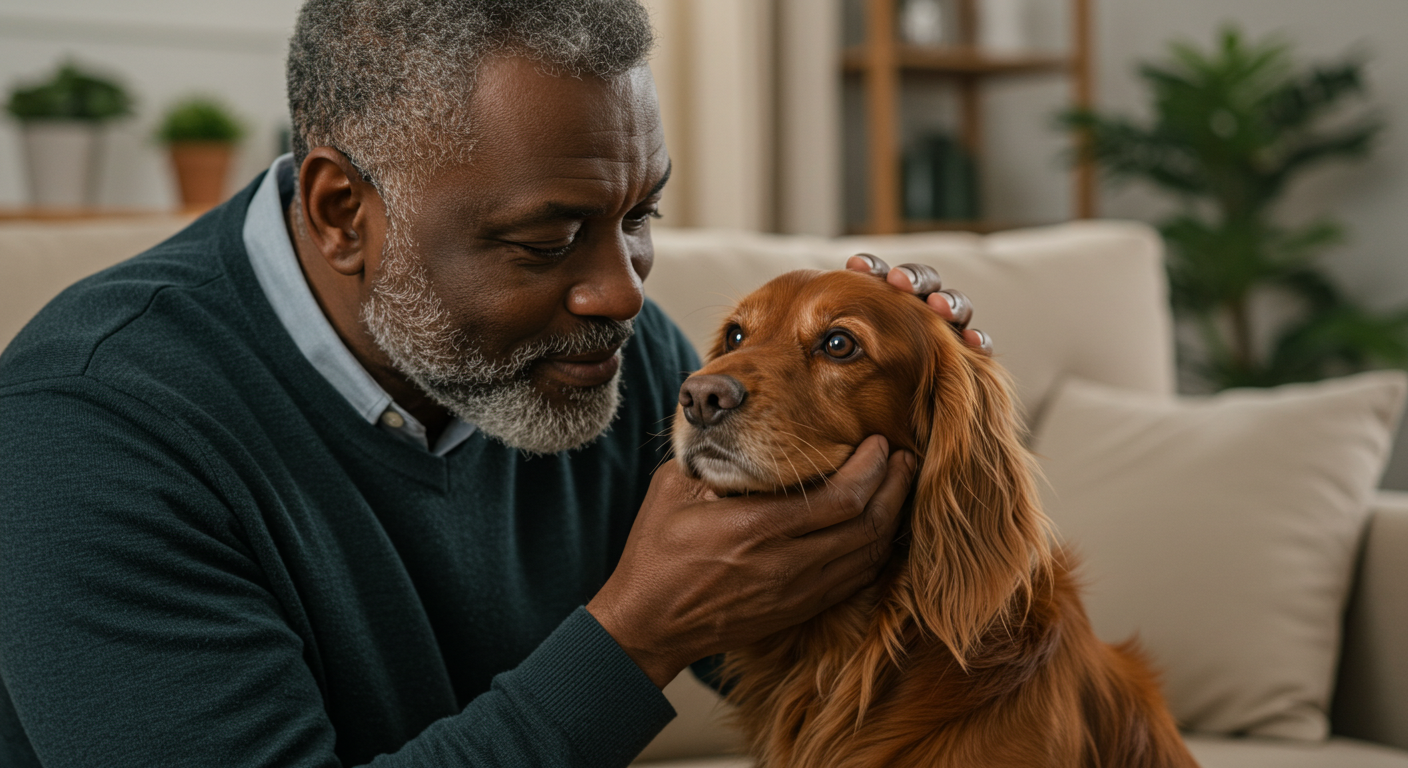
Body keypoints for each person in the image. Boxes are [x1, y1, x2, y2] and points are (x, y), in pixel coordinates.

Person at [0, 2, 989, 766]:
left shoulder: (606, 360)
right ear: (343, 211)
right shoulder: (86, 437)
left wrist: (927, 415)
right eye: (546, 240)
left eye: (639, 214)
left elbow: (832, 645)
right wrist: (636, 637)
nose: (620, 292)